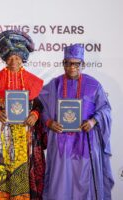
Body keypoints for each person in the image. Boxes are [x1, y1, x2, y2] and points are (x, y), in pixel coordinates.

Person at [39, 44, 114, 200]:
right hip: (61, 144)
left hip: (86, 142)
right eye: (68, 63)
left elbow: (106, 110)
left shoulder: (94, 85)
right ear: (63, 63)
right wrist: (49, 123)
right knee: (60, 187)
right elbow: (40, 107)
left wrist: (94, 121)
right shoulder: (55, 85)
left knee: (85, 184)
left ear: (83, 64)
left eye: (76, 63)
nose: (72, 67)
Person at [0, 30, 46, 200]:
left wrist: (34, 114)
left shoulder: (32, 80)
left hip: (26, 137)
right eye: (10, 57)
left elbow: (39, 106)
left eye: (17, 57)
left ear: (23, 58)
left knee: (24, 173)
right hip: (3, 134)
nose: (13, 61)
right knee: (2, 174)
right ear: (4, 58)